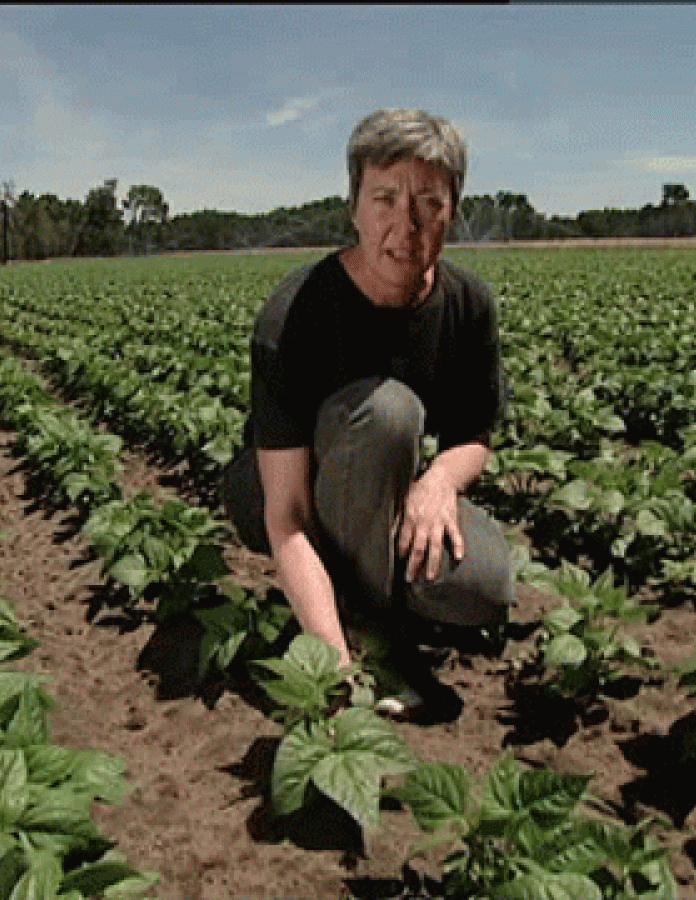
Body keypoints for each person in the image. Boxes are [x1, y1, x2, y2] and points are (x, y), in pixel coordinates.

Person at [220, 108, 514, 717]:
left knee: (483, 586)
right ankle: (374, 638)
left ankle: (356, 574)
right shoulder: (294, 314)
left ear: (453, 212)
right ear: (353, 207)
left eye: (428, 202)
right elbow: (288, 516)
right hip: (278, 490)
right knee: (389, 412)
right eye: (384, 198)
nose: (406, 225)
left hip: (376, 483)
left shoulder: (468, 304)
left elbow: (472, 434)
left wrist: (437, 482)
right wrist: (336, 667)